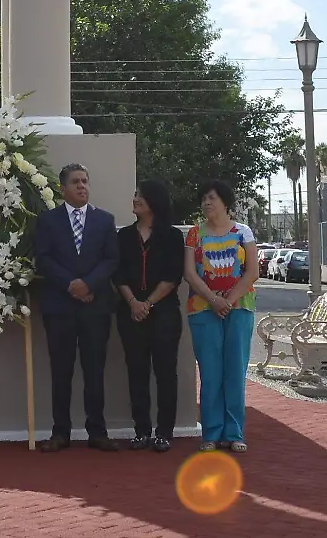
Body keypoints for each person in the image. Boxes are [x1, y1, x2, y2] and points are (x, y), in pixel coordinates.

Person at [33, 163, 120, 453]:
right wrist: (71, 284)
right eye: (76, 182)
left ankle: (97, 431)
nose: (82, 186)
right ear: (63, 188)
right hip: (60, 307)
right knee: (61, 370)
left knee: (94, 370)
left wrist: (89, 285)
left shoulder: (105, 220)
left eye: (85, 181)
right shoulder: (48, 221)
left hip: (95, 307)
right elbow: (43, 259)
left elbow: (111, 260)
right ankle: (60, 433)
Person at [182, 180, 259, 454]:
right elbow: (190, 273)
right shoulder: (194, 234)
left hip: (239, 309)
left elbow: (252, 272)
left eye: (212, 198)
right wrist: (213, 300)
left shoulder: (243, 232)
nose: (206, 203)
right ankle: (211, 433)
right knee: (210, 372)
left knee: (235, 371)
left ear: (225, 202)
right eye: (203, 199)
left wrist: (228, 300)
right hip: (203, 310)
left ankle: (234, 432)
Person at [115, 180, 184, 452]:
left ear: (154, 201)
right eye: (134, 194)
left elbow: (173, 276)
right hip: (130, 313)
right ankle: (141, 431)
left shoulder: (171, 236)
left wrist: (148, 304)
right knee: (136, 372)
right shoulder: (123, 236)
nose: (135, 199)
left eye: (140, 195)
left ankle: (164, 433)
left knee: (166, 373)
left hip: (164, 313)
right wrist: (133, 302)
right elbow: (117, 273)